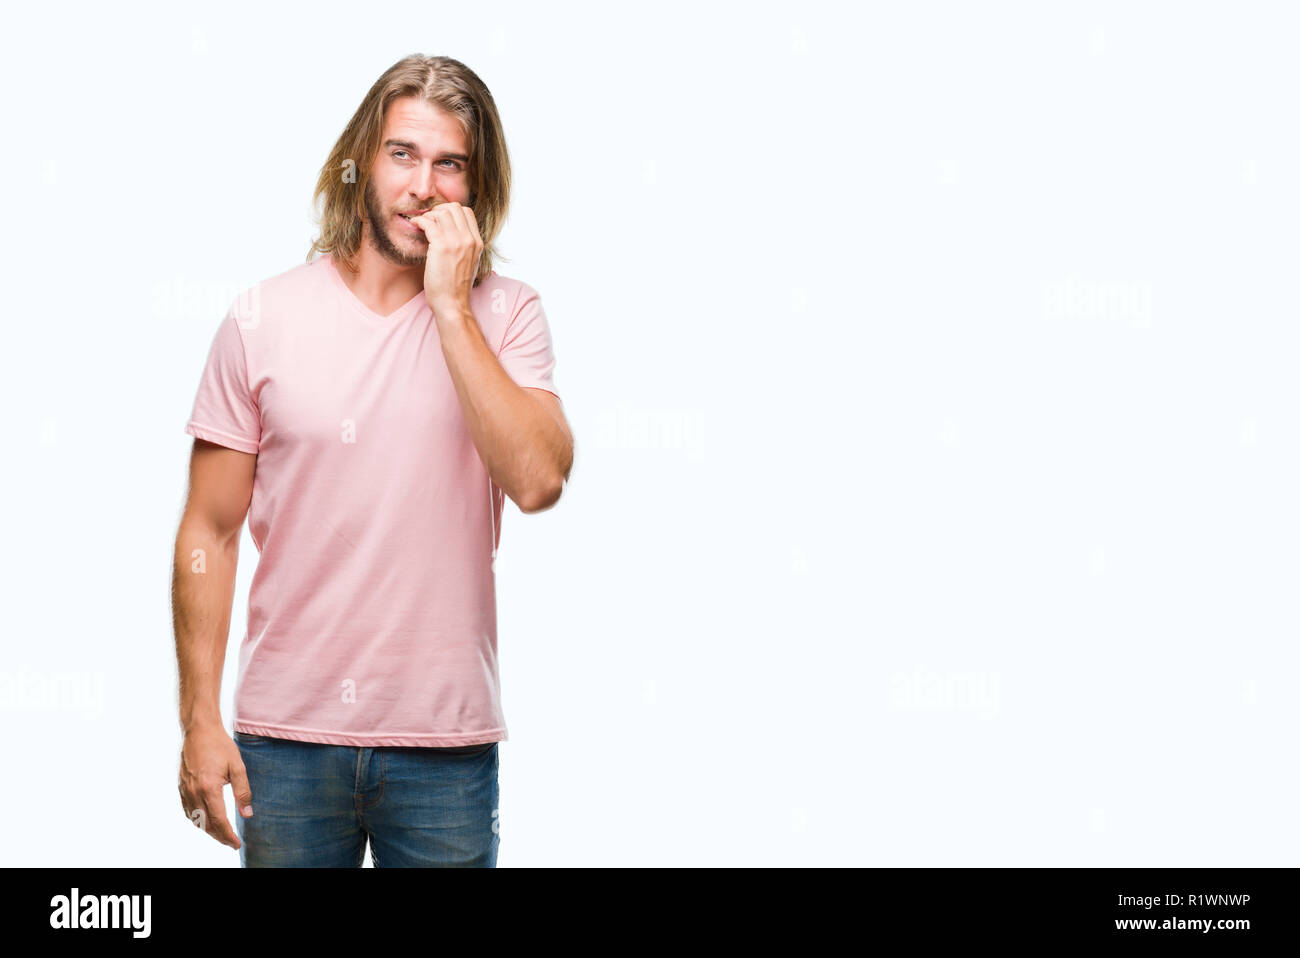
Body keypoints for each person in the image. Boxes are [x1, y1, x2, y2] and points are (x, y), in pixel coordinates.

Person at [171, 53, 573, 867]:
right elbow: (207, 531)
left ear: (475, 185)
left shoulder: (509, 315)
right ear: (361, 163)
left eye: (449, 163)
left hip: (445, 751)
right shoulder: (261, 318)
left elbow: (537, 481)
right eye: (402, 155)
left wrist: (451, 307)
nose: (423, 186)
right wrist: (199, 721)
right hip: (284, 746)